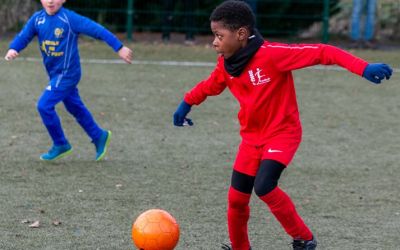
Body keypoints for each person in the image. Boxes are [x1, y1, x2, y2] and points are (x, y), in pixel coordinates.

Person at [173, 1, 392, 249]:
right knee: (236, 200)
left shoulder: (272, 54)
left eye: (219, 36)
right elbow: (210, 85)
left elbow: (323, 52)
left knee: (264, 186)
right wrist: (186, 103)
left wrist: (363, 67)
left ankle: (304, 238)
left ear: (241, 34)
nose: (214, 42)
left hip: (282, 135)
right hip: (251, 139)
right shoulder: (226, 63)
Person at [4, 0, 133, 161]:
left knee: (44, 106)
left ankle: (60, 144)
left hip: (67, 74)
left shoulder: (70, 19)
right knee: (74, 106)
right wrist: (14, 48)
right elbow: (23, 36)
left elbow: (97, 29)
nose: (50, 1)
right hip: (54, 73)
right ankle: (99, 136)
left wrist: (119, 47)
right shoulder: (37, 19)